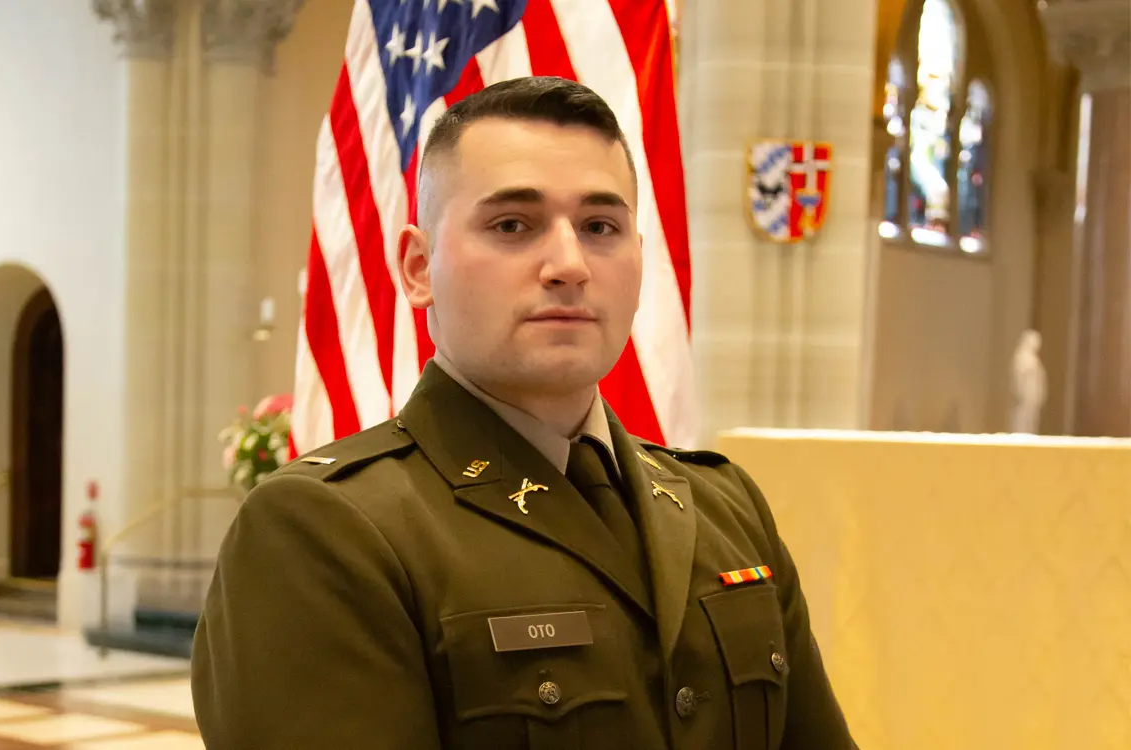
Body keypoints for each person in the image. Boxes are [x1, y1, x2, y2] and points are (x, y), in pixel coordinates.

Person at [191, 76, 856, 750]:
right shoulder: (329, 530)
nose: (569, 264)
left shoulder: (725, 505)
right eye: (513, 225)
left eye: (601, 227)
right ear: (418, 268)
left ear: (638, 260)